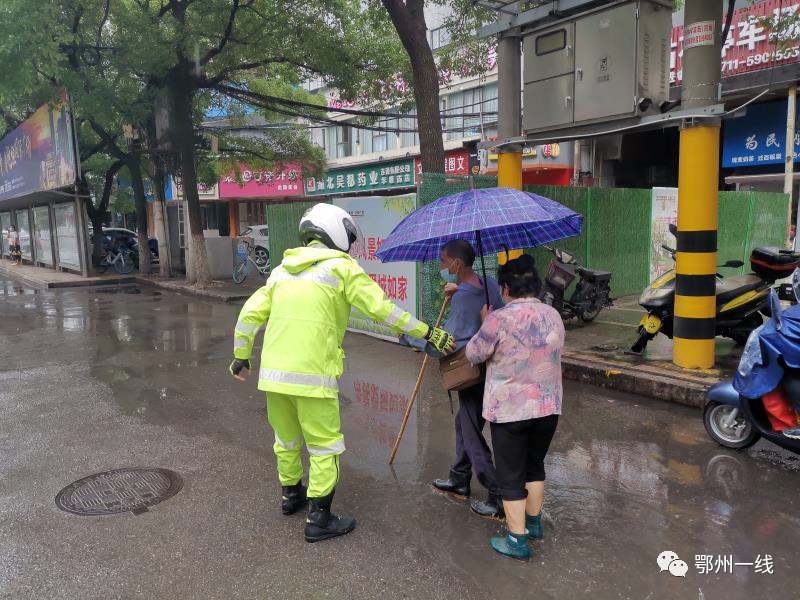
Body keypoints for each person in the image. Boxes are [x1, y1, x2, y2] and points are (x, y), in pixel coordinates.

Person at [229, 203, 454, 543]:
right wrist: (427, 332)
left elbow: (249, 315)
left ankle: (291, 496)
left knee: (286, 440)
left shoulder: (281, 271)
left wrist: (241, 357)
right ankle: (319, 517)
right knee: (324, 447)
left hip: (274, 376)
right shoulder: (341, 269)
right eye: (348, 236)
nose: (349, 244)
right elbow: (383, 310)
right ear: (334, 232)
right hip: (313, 375)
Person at [465, 254, 564, 561]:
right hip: (548, 408)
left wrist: (485, 322)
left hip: (510, 412)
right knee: (534, 466)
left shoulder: (499, 319)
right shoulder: (552, 315)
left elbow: (474, 354)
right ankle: (533, 524)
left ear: (506, 287)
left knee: (510, 474)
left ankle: (516, 540)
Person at [403, 239, 505, 520]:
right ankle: (460, 478)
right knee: (464, 422)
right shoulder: (488, 285)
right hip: (492, 369)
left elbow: (447, 343)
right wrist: (459, 288)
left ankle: (498, 494)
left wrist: (408, 336)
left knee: (471, 432)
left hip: (471, 373)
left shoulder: (462, 298)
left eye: (444, 261)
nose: (441, 266)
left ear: (457, 264)